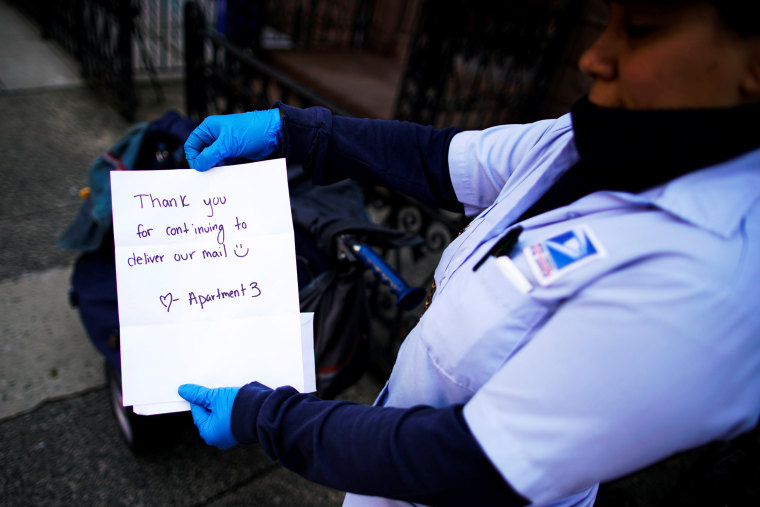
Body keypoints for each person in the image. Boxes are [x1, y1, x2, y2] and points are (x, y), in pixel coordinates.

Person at [178, 1, 760, 505]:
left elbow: (468, 462)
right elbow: (442, 161)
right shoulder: (594, 142)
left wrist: (264, 419)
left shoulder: (711, 284)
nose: (593, 57)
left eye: (640, 28)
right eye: (606, 20)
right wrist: (297, 132)